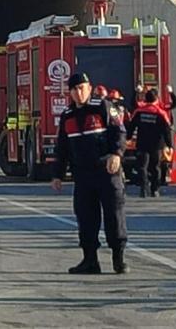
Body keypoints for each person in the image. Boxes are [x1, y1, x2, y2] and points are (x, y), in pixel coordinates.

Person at [51, 72, 128, 275]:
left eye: (82, 88)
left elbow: (119, 132)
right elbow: (63, 147)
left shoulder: (102, 106)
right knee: (85, 218)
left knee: (114, 214)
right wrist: (58, 174)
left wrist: (116, 154)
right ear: (70, 92)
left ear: (89, 87)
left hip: (107, 172)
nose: (79, 93)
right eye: (75, 89)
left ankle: (118, 258)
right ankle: (90, 260)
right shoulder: (68, 116)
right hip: (83, 176)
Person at [126, 90, 173, 198]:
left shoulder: (139, 111)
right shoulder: (160, 113)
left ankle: (143, 188)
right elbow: (166, 130)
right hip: (157, 146)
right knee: (156, 167)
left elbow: (131, 126)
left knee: (142, 167)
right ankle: (155, 189)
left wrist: (128, 138)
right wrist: (170, 145)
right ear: (156, 99)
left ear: (145, 99)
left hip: (142, 144)